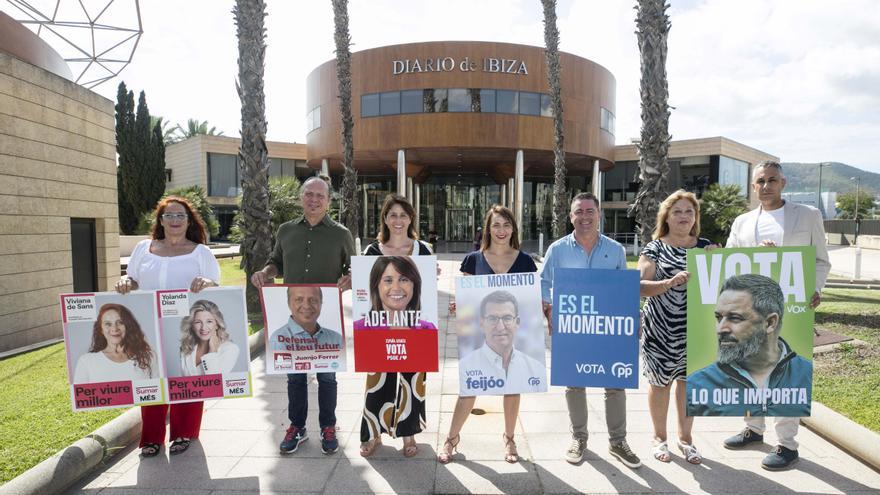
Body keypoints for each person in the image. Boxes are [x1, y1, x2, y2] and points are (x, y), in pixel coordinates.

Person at [721, 160, 830, 471]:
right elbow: (730, 262)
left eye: (771, 180)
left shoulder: (808, 216)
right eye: (760, 181)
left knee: (787, 373)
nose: (765, 186)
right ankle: (754, 429)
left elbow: (821, 260)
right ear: (753, 186)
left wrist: (816, 288)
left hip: (793, 309)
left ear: (783, 182)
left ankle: (787, 444)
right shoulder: (742, 222)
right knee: (752, 368)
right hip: (752, 310)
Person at [251, 175, 355, 456]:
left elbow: (353, 269)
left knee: (327, 378)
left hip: (327, 318)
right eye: (309, 194)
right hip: (293, 317)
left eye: (320, 195)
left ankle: (328, 427)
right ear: (301, 198)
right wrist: (266, 272)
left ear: (328, 201)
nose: (314, 200)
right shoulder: (286, 231)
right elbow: (275, 262)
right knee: (295, 378)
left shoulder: (341, 234)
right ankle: (297, 427)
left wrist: (350, 278)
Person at [540, 192, 641, 469]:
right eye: (578, 212)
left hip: (609, 329)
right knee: (574, 382)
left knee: (615, 382)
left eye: (589, 211)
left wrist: (634, 318)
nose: (584, 217)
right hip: (573, 328)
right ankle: (579, 437)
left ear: (599, 214)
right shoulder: (557, 249)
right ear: (571, 216)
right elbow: (543, 282)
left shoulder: (616, 250)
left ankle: (618, 441)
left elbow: (625, 290)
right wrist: (548, 308)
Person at [115, 196, 220, 457]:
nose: (174, 220)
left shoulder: (201, 252)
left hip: (187, 326)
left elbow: (216, 285)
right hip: (148, 325)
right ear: (160, 221)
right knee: (150, 378)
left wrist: (206, 282)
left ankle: (184, 432)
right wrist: (126, 281)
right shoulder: (143, 249)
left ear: (189, 221)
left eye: (180, 216)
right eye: (169, 216)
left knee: (187, 377)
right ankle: (151, 438)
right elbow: (134, 278)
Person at [440, 205, 538, 464]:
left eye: (506, 224)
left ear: (513, 228)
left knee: (513, 388)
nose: (502, 230)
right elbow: (468, 301)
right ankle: (451, 439)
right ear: (488, 229)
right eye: (496, 225)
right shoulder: (473, 259)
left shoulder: (525, 261)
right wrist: (458, 305)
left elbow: (528, 302)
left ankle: (509, 438)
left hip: (512, 339)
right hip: (480, 340)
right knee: (468, 390)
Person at [638, 190, 712, 464]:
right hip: (660, 329)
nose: (684, 216)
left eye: (689, 212)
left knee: (689, 383)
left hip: (697, 329)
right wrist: (667, 283)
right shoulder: (654, 248)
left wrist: (717, 260)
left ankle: (686, 440)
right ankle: (659, 438)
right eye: (677, 211)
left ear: (696, 218)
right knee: (660, 384)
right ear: (666, 217)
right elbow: (639, 287)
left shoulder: (706, 247)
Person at [358, 195, 433, 458]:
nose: (398, 220)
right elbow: (364, 289)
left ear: (411, 218)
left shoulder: (423, 250)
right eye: (393, 215)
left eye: (403, 215)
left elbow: (426, 288)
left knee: (412, 378)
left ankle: (408, 433)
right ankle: (372, 433)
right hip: (378, 328)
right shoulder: (372, 251)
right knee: (377, 379)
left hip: (414, 328)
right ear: (385, 219)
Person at [688, 273, 812, 416]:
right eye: (718, 317)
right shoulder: (697, 385)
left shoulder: (806, 375)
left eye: (735, 318)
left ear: (770, 323)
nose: (721, 329)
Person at [73, 303, 156, 383]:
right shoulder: (86, 361)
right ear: (101, 329)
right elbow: (80, 397)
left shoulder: (148, 356)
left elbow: (159, 391)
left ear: (128, 326)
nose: (114, 328)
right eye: (108, 324)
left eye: (120, 322)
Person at [353, 256, 436, 330]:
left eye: (404, 280)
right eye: (388, 280)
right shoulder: (359, 328)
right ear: (376, 286)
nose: (396, 288)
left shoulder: (428, 329)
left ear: (415, 286)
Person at [268, 286, 343, 357]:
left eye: (313, 300)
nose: (306, 306)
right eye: (299, 300)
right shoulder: (277, 340)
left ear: (321, 303)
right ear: (289, 304)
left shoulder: (336, 339)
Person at [179, 300, 240, 376]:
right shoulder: (186, 348)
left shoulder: (230, 349)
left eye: (209, 321)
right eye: (198, 322)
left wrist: (212, 351)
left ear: (217, 324)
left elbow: (215, 381)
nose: (203, 328)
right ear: (192, 326)